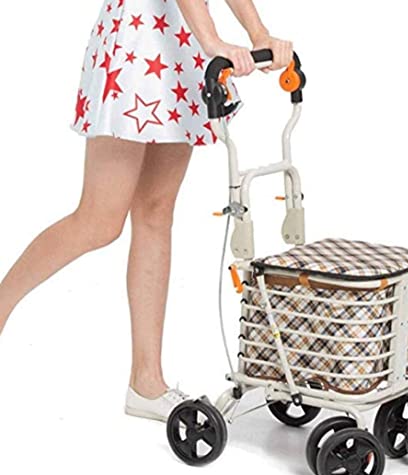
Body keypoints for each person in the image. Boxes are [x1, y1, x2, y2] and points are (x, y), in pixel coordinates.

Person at [0, 0, 293, 422]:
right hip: (136, 42)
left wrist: (258, 33)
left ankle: (146, 381)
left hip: (183, 43)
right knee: (99, 221)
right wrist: (213, 39)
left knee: (156, 212)